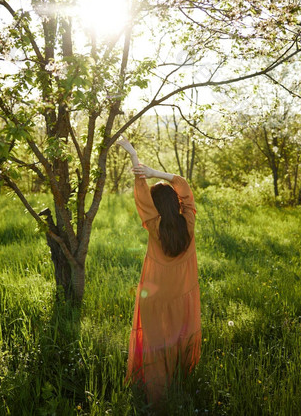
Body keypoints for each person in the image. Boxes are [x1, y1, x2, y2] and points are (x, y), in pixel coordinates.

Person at [116, 135, 201, 408]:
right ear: (176, 203)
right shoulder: (188, 221)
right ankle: (179, 383)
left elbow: (140, 193)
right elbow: (184, 187)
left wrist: (133, 154)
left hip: (153, 297)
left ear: (155, 207)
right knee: (178, 338)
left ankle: (155, 398)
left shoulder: (153, 225)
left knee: (155, 343)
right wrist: (156, 173)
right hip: (181, 297)